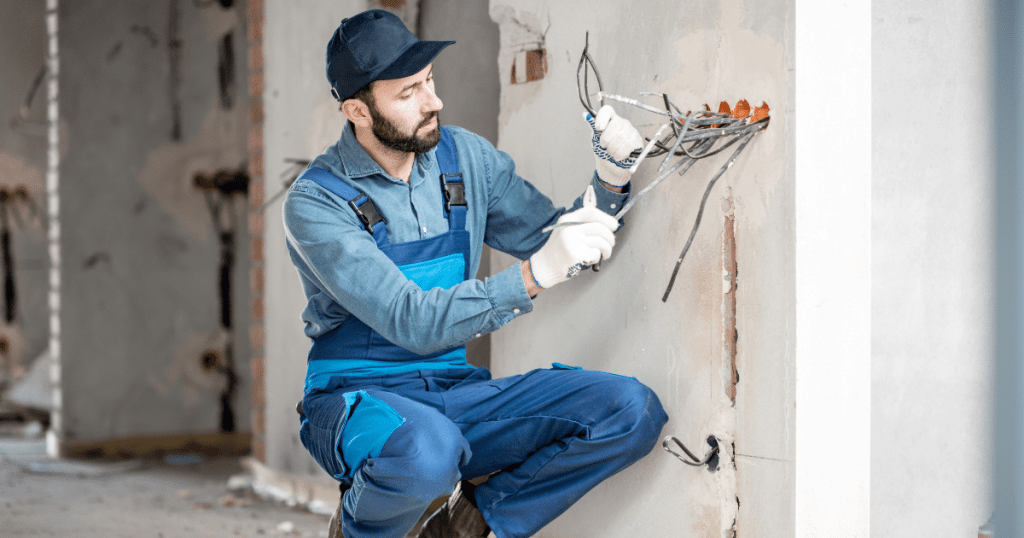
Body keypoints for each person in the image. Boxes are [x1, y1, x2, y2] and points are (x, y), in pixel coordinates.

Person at [282, 9, 669, 538]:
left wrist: (611, 182)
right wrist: (535, 276)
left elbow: (555, 240)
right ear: (357, 110)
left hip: (454, 392)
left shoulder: (465, 157)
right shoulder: (316, 201)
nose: (433, 101)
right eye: (407, 93)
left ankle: (467, 525)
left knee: (630, 410)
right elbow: (409, 318)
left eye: (429, 81)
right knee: (428, 450)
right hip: (356, 403)